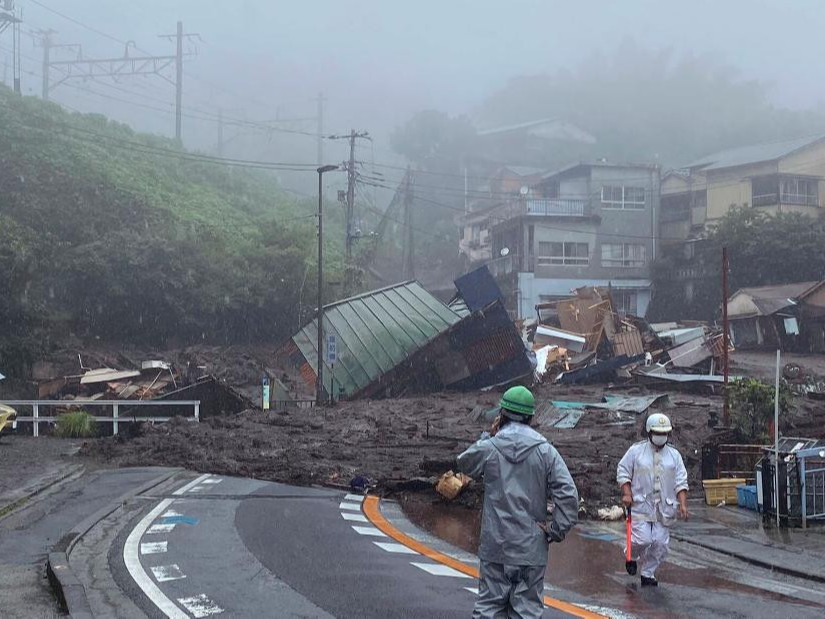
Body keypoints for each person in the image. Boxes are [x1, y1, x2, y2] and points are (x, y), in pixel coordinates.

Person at [457, 386, 579, 618]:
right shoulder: (546, 451)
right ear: (531, 417)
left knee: (489, 607)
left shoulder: (490, 447)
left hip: (496, 545)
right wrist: (556, 530)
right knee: (527, 611)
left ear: (501, 414)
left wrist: (487, 437)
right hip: (530, 547)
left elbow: (464, 463)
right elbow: (568, 494)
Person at [616, 412, 689, 587]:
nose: (660, 436)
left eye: (664, 433)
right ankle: (631, 555)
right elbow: (623, 471)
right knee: (643, 540)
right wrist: (627, 492)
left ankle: (648, 573)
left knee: (660, 544)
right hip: (641, 504)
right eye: (657, 432)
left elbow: (681, 481)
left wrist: (683, 504)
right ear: (649, 432)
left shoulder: (674, 456)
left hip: (664, 508)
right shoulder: (636, 451)